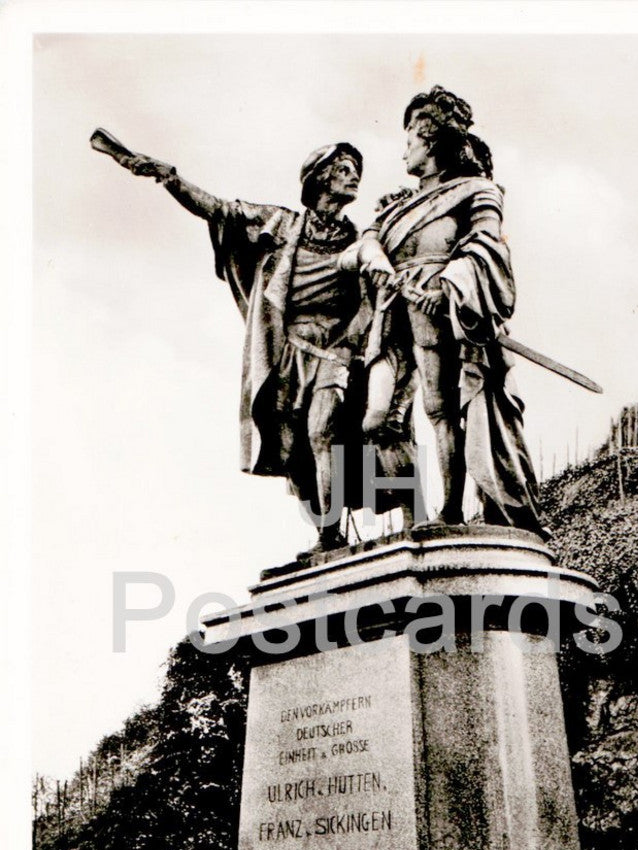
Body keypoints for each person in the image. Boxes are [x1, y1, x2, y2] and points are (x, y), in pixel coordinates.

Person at [111, 140, 366, 551]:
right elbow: (220, 210)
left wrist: (352, 342)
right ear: (320, 177)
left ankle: (331, 534)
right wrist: (170, 178)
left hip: (336, 350)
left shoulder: (360, 238)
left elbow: (373, 294)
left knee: (323, 433)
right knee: (292, 445)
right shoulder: (282, 223)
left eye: (355, 169)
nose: (353, 175)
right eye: (343, 167)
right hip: (289, 348)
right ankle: (323, 533)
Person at [349, 85, 547, 536]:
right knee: (376, 419)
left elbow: (486, 242)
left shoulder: (478, 191)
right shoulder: (397, 208)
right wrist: (374, 257)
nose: (404, 151)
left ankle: (450, 511)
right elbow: (368, 238)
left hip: (441, 311)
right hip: (391, 312)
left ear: (430, 140)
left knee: (441, 411)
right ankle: (411, 511)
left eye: (410, 141)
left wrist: (451, 285)